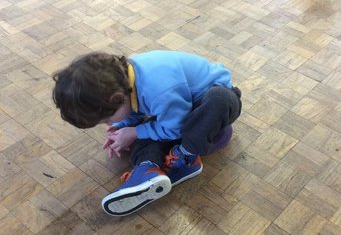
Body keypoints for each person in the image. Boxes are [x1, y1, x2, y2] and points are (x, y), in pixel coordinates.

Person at [52, 50, 242, 216]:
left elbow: (175, 127)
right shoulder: (126, 79)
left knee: (218, 100)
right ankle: (147, 169)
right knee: (148, 130)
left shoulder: (159, 88)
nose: (109, 124)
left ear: (117, 98)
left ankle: (187, 157)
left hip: (215, 105)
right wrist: (124, 127)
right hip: (180, 109)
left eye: (107, 120)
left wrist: (134, 131)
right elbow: (138, 110)